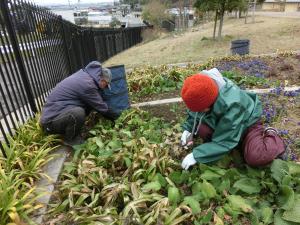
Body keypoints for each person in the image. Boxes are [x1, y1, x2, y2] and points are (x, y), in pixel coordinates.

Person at [180, 68, 286, 170]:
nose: (199, 111)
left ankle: (271, 134)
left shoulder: (232, 105)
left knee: (255, 156)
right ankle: (231, 145)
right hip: (229, 124)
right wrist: (188, 129)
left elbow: (225, 141)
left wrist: (196, 155)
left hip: (247, 125)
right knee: (202, 129)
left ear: (211, 101)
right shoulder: (203, 88)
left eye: (202, 109)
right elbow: (196, 113)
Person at [40, 61, 117, 142]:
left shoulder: (85, 77)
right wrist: (118, 117)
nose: (105, 88)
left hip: (59, 113)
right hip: (50, 122)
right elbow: (101, 107)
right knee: (78, 113)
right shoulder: (87, 84)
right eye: (106, 85)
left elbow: (96, 104)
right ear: (102, 79)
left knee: (88, 105)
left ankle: (74, 130)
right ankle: (71, 140)